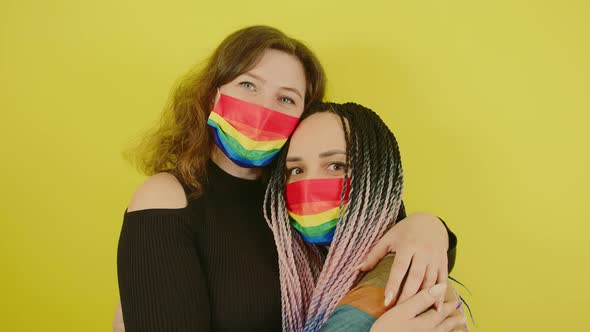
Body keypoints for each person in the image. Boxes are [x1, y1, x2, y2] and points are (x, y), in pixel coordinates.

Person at [116, 25, 459, 331]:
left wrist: (431, 227)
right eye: (248, 84)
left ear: (304, 117)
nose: (264, 108)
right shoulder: (167, 198)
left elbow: (388, 243)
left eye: (285, 98)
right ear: (212, 94)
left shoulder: (302, 197)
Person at [264, 102, 467, 331]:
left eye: (335, 166)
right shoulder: (303, 271)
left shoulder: (399, 281)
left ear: (378, 177)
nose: (309, 185)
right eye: (297, 170)